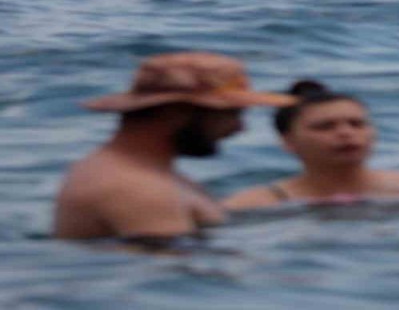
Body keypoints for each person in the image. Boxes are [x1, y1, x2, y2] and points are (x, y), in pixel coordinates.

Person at [53, 52, 296, 241]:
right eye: (232, 113)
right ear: (176, 112)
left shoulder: (143, 173)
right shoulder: (137, 189)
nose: (239, 128)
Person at [222, 80, 399, 209]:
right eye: (325, 127)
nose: (346, 133)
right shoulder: (254, 204)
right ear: (288, 142)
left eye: (357, 124)